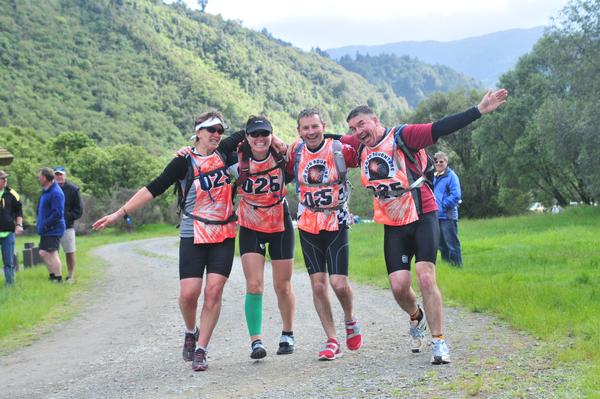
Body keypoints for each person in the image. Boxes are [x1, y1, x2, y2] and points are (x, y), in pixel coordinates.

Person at [93, 111, 284, 372]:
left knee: (213, 291)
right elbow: (154, 187)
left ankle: (202, 349)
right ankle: (190, 331)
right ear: (197, 132)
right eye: (210, 130)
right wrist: (119, 213)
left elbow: (254, 130)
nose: (217, 134)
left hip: (224, 232)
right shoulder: (183, 161)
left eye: (219, 129)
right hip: (192, 231)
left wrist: (280, 142)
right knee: (188, 294)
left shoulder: (226, 150)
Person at [345, 89, 508, 365]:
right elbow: (324, 142)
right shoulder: (358, 146)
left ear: (375, 119)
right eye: (352, 127)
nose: (358, 130)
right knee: (398, 287)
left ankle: (439, 341)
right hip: (393, 223)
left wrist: (478, 110)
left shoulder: (404, 136)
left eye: (362, 124)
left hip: (423, 214)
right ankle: (416, 317)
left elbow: (440, 127)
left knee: (425, 276)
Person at [285, 108, 362, 361]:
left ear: (323, 126)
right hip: (308, 222)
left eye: (314, 127)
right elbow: (258, 148)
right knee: (318, 285)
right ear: (299, 131)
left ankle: (350, 319)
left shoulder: (339, 148)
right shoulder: (295, 152)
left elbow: (369, 148)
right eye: (305, 128)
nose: (310, 132)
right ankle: (331, 340)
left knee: (338, 283)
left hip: (336, 219)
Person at [236, 116, 296, 359]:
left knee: (282, 286)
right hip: (250, 223)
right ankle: (256, 341)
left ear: (271, 135)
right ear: (247, 137)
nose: (260, 139)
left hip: (280, 221)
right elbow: (208, 153)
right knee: (254, 285)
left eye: (265, 134)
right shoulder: (237, 159)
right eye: (254, 134)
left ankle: (288, 333)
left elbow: (315, 145)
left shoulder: (282, 156)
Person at [36, 167, 66, 282]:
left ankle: (58, 279)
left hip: (53, 228)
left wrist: (45, 224)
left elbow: (57, 213)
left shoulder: (56, 193)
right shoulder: (46, 190)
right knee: (43, 253)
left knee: (52, 253)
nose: (38, 178)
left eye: (40, 176)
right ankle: (52, 276)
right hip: (46, 228)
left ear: (45, 177)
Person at [433, 152, 462, 267]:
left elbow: (456, 195)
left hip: (448, 216)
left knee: (452, 243)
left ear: (446, 162)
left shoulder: (451, 176)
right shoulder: (434, 176)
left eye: (441, 161)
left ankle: (457, 267)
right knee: (441, 245)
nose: (439, 164)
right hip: (436, 216)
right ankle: (447, 266)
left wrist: (443, 206)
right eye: (437, 162)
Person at [54, 167, 83, 282]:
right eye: (56, 174)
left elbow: (79, 210)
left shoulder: (73, 189)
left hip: (67, 227)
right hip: (53, 227)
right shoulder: (50, 189)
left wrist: (67, 217)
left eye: (61, 174)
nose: (59, 177)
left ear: (65, 175)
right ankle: (57, 276)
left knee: (70, 252)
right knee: (52, 253)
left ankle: (70, 275)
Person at [0, 170, 24, 286]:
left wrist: (19, 225)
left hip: (8, 233)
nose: (5, 180)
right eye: (2, 178)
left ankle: (10, 285)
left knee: (8, 262)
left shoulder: (12, 193)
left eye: (6, 178)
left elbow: (19, 211)